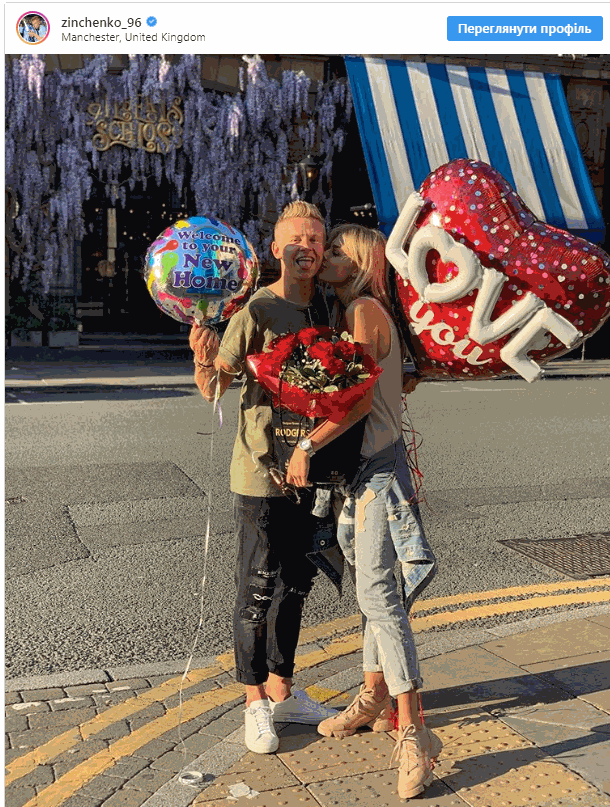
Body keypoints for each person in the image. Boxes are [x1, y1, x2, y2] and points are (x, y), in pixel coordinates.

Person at [284, 223, 442, 799]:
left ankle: (414, 731)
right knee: (372, 586)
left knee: (377, 593)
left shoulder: (364, 311)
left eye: (334, 251)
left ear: (359, 261)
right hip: (364, 472)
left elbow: (354, 406)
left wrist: (306, 445)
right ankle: (374, 695)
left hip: (375, 470)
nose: (323, 256)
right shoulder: (359, 312)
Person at [189, 202, 339, 755]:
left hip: (311, 470)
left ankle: (283, 692)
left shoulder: (328, 308)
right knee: (257, 586)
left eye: (316, 240)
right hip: (260, 473)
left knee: (297, 583)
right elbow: (215, 387)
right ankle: (254, 701)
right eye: (296, 239)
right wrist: (202, 359)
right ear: (276, 249)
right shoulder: (257, 310)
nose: (307, 248)